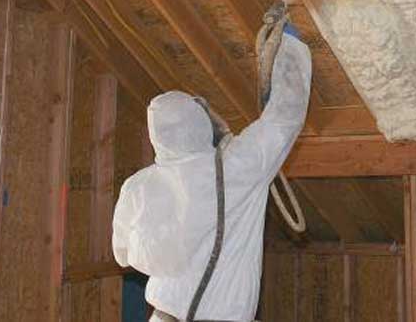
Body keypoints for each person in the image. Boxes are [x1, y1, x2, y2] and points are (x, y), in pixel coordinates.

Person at [112, 24, 311, 321]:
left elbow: (123, 254)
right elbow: (283, 119)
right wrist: (290, 49)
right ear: (199, 124)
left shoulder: (137, 186)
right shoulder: (235, 168)